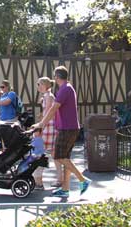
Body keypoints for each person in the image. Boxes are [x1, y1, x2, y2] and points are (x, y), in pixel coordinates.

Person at [33, 66, 90, 198]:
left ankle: (83, 180)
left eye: (54, 76)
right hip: (69, 128)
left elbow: (53, 109)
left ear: (57, 77)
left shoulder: (64, 89)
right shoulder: (68, 88)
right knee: (65, 158)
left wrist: (42, 124)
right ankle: (65, 189)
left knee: (59, 156)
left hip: (67, 128)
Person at [37, 76, 62, 187]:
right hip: (50, 125)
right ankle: (59, 179)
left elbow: (47, 111)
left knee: (39, 151)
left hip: (48, 126)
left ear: (46, 85)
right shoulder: (48, 95)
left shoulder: (48, 96)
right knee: (53, 153)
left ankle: (38, 179)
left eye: (40, 84)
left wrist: (40, 125)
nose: (38, 86)